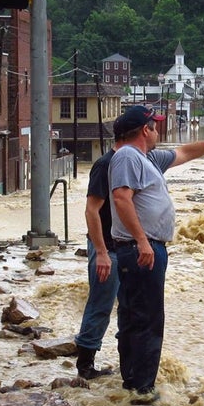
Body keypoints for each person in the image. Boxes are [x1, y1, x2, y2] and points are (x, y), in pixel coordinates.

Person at [109, 106, 204, 402]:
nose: (158, 130)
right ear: (145, 130)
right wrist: (143, 241)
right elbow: (121, 198)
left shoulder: (148, 159)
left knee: (136, 317)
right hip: (141, 250)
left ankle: (133, 384)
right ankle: (142, 390)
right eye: (154, 126)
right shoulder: (127, 156)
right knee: (147, 319)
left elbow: (185, 152)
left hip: (145, 248)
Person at [71, 132, 130, 380]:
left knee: (127, 308)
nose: (154, 133)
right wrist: (102, 251)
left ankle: (127, 364)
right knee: (100, 305)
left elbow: (179, 155)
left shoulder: (135, 162)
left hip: (126, 248)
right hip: (107, 248)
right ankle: (85, 365)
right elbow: (91, 210)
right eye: (150, 128)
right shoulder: (105, 164)